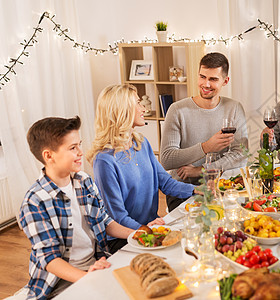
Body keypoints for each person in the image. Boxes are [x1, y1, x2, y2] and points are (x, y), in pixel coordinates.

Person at [19, 116, 135, 299]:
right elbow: (50, 259)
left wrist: (136, 234)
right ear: (48, 156)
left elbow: (105, 221)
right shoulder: (35, 201)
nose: (81, 152)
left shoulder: (84, 181)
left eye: (79, 144)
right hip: (60, 282)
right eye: (73, 148)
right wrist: (88, 278)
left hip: (96, 263)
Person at [87, 84, 197, 253]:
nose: (143, 108)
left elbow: (166, 183)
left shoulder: (141, 143)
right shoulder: (104, 161)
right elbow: (118, 217)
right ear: (122, 110)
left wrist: (198, 190)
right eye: (137, 103)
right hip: (125, 237)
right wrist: (147, 230)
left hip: (151, 226)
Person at [160, 52, 248, 211]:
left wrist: (199, 171)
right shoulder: (177, 110)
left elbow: (241, 155)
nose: (206, 84)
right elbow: (167, 159)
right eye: (202, 77)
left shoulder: (234, 108)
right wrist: (206, 147)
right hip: (183, 191)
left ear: (225, 81)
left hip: (222, 188)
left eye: (213, 79)